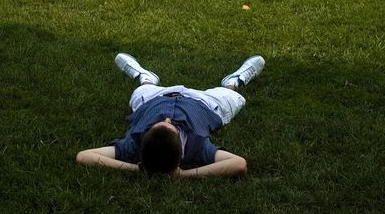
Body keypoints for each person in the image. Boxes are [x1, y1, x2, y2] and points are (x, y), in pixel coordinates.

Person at [76, 52, 265, 177]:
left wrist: (137, 169)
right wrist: (183, 174)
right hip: (204, 103)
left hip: (153, 99)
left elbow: (84, 156)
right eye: (171, 126)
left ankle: (145, 78)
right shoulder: (197, 146)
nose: (167, 119)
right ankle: (234, 80)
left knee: (141, 92)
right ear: (181, 151)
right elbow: (239, 164)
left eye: (155, 125)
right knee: (233, 96)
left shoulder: (133, 143)